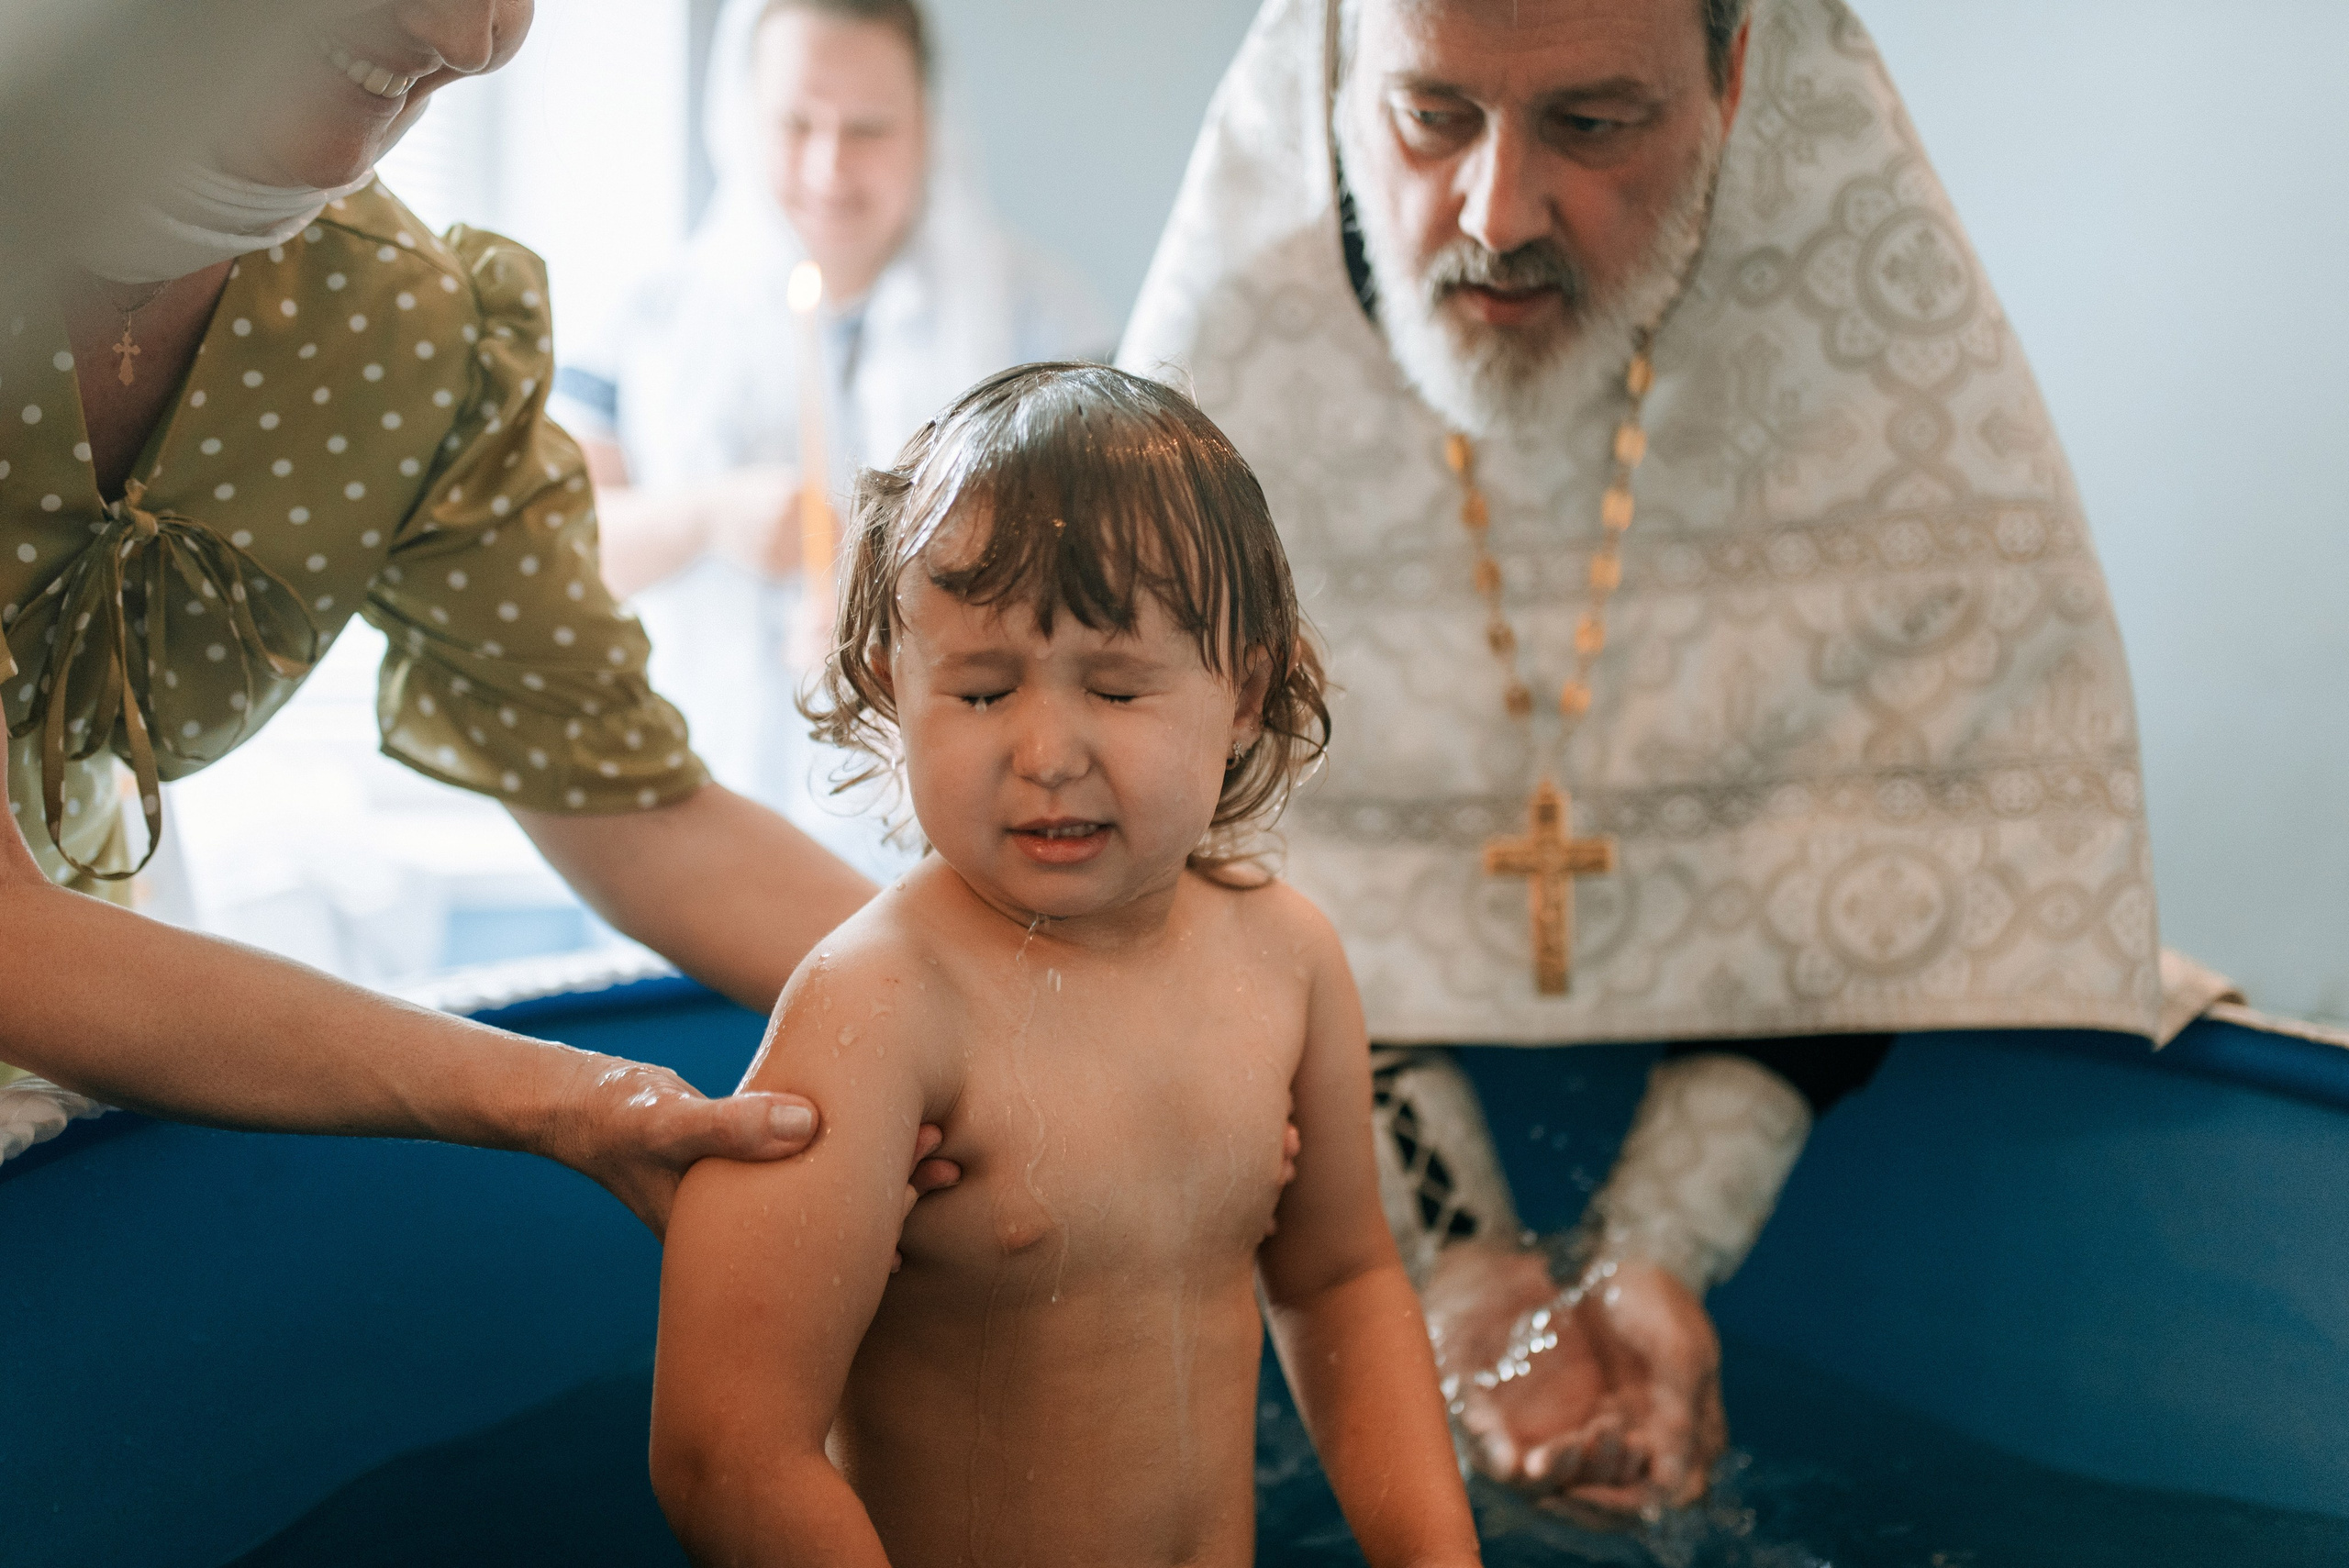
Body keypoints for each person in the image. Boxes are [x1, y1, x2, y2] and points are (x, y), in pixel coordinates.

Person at [1122, 0, 2174, 1518]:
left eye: (1593, 126)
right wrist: (1458, 1253)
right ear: (1340, 68)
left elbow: (1898, 831)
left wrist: (1660, 1243)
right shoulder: (1233, 377)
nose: (1494, 214)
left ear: (1737, 77)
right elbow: (1210, 864)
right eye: (1430, 117)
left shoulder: (1863, 353)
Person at [0, 0, 953, 1227]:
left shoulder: (401, 329)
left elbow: (632, 804)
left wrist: (1035, 1010)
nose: (481, 31)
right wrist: (563, 1101)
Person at [649, 364, 1479, 1568]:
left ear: (1244, 690)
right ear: (894, 682)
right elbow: (725, 1448)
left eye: (1118, 686)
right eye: (981, 689)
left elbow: (1340, 1281)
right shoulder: (879, 1007)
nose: (1046, 751)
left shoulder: (1284, 961)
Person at [555, 0, 1111, 874]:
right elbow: (556, 550)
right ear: (741, 115)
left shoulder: (1045, 323)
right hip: (699, 827)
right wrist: (709, 518)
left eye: (868, 129)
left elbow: (1107, 570)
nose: (828, 167)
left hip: (956, 843)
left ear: (930, 122)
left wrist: (911, 605)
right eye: (795, 124)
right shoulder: (647, 322)